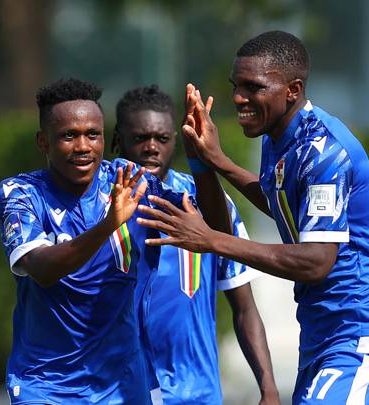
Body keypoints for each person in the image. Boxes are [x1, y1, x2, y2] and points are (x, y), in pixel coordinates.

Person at [137, 31, 369, 404]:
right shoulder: (277, 137)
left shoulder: (324, 153)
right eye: (236, 85)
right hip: (324, 337)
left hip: (363, 339)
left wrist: (209, 241)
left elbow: (316, 262)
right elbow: (284, 206)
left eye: (253, 87)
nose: (239, 98)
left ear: (292, 90)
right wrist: (212, 161)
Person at [0, 78, 189, 404]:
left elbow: (209, 220)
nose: (83, 146)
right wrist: (109, 224)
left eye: (92, 134)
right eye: (69, 135)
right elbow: (42, 269)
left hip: (121, 385)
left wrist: (204, 159)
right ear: (44, 142)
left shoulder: (127, 180)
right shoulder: (21, 194)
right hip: (45, 385)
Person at [112, 85, 279, 404]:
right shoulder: (99, 207)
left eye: (161, 139)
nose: (151, 148)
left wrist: (268, 388)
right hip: (119, 391)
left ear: (176, 140)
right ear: (118, 141)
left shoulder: (207, 202)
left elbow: (243, 307)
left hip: (196, 393)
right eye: (140, 138)